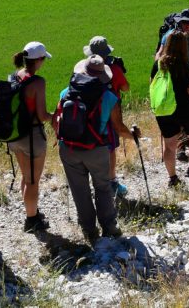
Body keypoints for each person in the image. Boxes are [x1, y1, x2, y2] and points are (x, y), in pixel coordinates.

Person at [55, 55, 140, 244]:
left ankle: (89, 230)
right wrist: (133, 135)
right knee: (102, 187)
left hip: (68, 148)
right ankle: (109, 227)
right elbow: (118, 128)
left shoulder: (66, 92)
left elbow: (56, 121)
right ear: (103, 75)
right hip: (96, 148)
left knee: (79, 190)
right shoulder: (109, 97)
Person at [8, 42, 53, 233]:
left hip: (14, 135)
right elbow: (42, 115)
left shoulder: (14, 77)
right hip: (32, 136)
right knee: (33, 180)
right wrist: (55, 117)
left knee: (26, 177)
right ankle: (32, 220)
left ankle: (31, 210)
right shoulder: (37, 82)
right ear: (39, 60)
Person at [154, 32, 189, 187]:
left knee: (169, 144)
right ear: (184, 46)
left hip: (163, 109)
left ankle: (173, 178)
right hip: (183, 107)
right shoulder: (182, 64)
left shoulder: (158, 63)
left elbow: (153, 83)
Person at [83, 36, 129, 194]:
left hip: (87, 114)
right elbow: (125, 88)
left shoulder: (83, 68)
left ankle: (95, 181)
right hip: (110, 113)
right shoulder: (113, 69)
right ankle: (111, 182)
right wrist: (121, 71)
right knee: (110, 149)